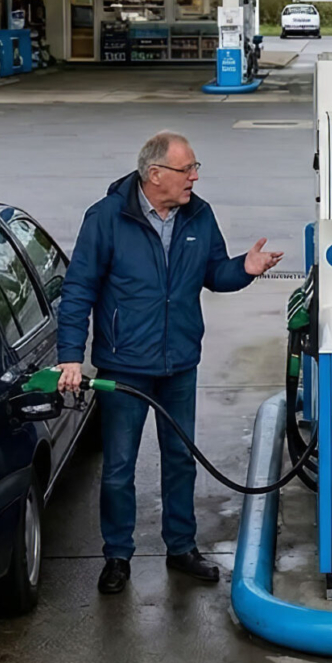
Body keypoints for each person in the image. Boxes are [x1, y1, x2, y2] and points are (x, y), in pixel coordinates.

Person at [56, 130, 284, 595]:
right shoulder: (106, 219)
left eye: (196, 169)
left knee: (180, 459)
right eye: (187, 169)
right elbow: (78, 289)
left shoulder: (198, 214)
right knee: (119, 466)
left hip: (179, 362)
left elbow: (214, 272)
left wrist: (245, 268)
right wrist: (69, 358)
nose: (195, 178)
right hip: (124, 367)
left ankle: (181, 547)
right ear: (154, 174)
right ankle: (117, 555)